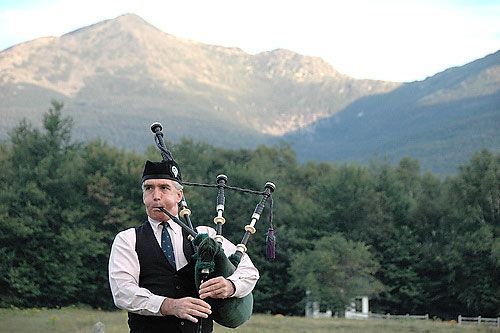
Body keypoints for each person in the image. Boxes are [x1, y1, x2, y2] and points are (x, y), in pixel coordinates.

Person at [109, 159, 259, 333]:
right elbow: (122, 292)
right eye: (149, 188)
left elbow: (249, 271)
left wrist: (231, 286)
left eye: (164, 188)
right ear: (143, 195)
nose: (156, 196)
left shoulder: (206, 236)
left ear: (179, 196)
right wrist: (168, 305)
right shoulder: (128, 239)